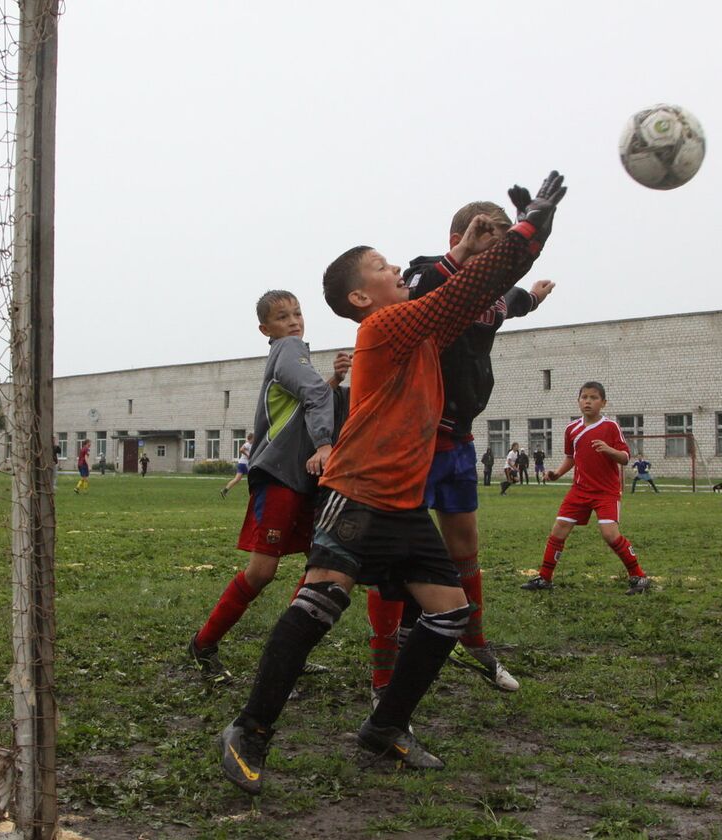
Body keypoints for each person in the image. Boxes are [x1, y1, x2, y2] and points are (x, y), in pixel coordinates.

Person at [218, 171, 566, 795]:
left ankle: (385, 729)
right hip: (356, 494)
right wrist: (529, 226)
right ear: (360, 299)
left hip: (403, 506)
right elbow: (464, 286)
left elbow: (478, 294)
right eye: (382, 267)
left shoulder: (424, 328)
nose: (397, 269)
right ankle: (249, 730)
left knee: (449, 613)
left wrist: (503, 245)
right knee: (316, 609)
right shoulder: (386, 327)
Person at [367, 198, 557, 700]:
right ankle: (383, 678)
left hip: (460, 442)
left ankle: (475, 646)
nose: (496, 260)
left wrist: (532, 297)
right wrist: (473, 252)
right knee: (390, 562)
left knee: (465, 551)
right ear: (461, 238)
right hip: (418, 441)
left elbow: (509, 302)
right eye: (488, 246)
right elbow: (424, 288)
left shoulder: (491, 292)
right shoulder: (428, 274)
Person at [189, 290, 351, 687]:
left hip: (302, 477)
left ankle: (288, 652)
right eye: (282, 316)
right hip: (280, 476)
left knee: (317, 566)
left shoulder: (298, 357)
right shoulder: (287, 350)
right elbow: (312, 398)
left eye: (297, 313)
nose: (293, 321)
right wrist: (327, 443)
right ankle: (203, 644)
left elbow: (303, 403)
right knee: (262, 571)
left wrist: (332, 379)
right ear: (266, 329)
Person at [521, 381, 650, 595]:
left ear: (603, 403)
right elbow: (571, 458)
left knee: (609, 534)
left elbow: (625, 458)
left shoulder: (610, 427)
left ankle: (639, 577)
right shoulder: (572, 429)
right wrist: (556, 474)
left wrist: (609, 450)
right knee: (559, 529)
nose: (588, 401)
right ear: (578, 401)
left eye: (593, 397)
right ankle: (544, 578)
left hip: (606, 492)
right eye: (584, 397)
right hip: (579, 490)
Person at [221, 433, 253, 498]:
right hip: (245, 464)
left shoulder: (251, 445)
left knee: (237, 479)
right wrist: (248, 455)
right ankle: (252, 494)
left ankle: (225, 490)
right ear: (251, 438)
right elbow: (241, 449)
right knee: (252, 479)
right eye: (254, 438)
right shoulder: (248, 444)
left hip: (241, 463)